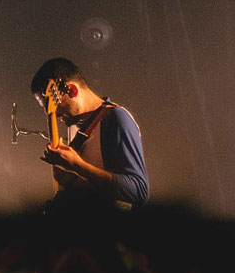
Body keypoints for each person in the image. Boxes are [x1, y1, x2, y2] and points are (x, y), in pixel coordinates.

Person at [30, 57, 149, 208]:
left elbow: (139, 191)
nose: (56, 116)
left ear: (72, 90)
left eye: (55, 106)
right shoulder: (75, 126)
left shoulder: (115, 119)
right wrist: (61, 169)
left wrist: (77, 166)